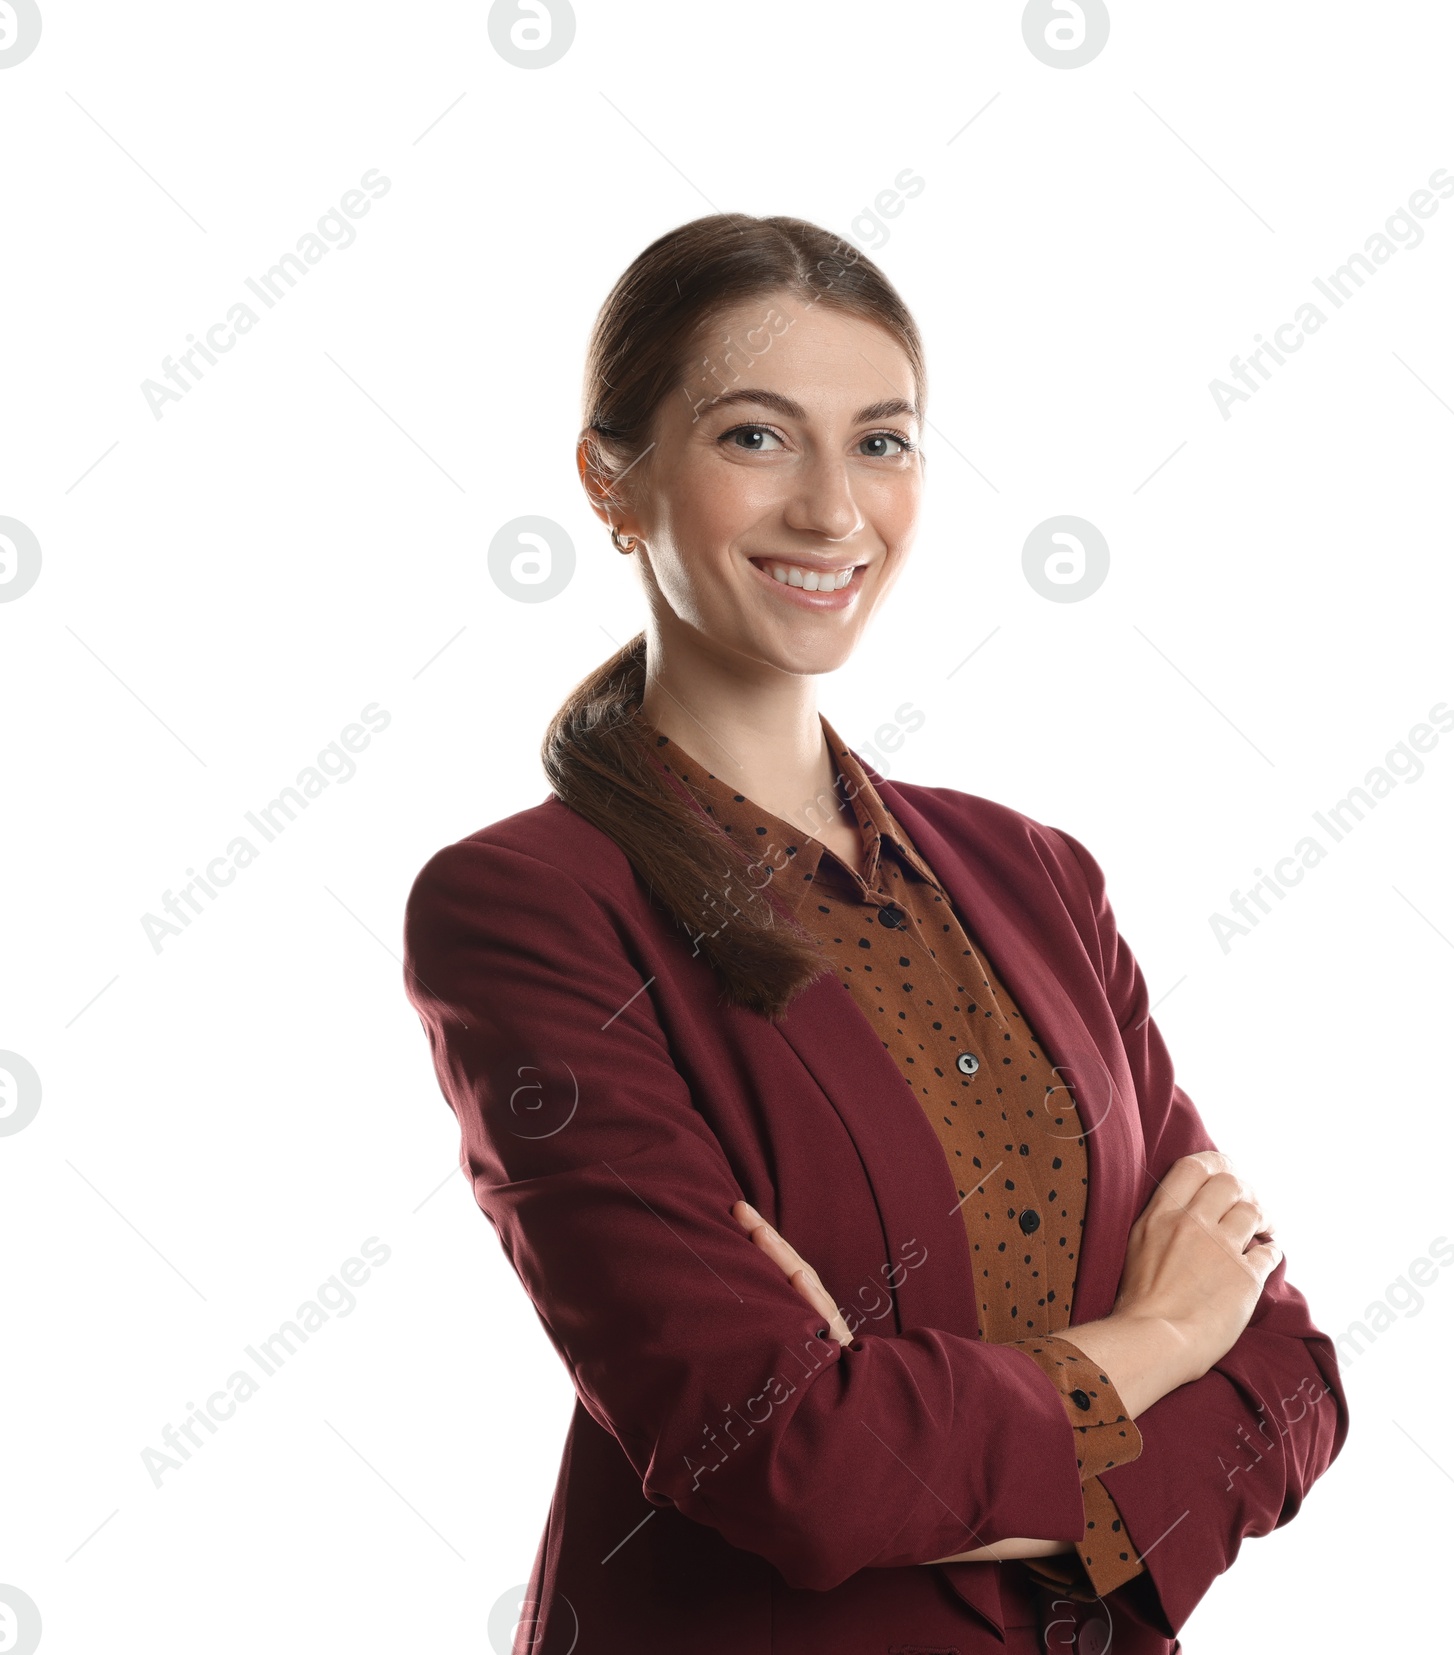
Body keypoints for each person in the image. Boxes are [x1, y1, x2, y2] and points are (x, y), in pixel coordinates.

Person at [401, 214, 1348, 1654]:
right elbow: (781, 1460)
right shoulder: (525, 909)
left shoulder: (1038, 875)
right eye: (756, 439)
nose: (834, 511)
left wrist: (928, 1432)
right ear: (612, 480)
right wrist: (1161, 1340)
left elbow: (1289, 1375)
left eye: (884, 442)